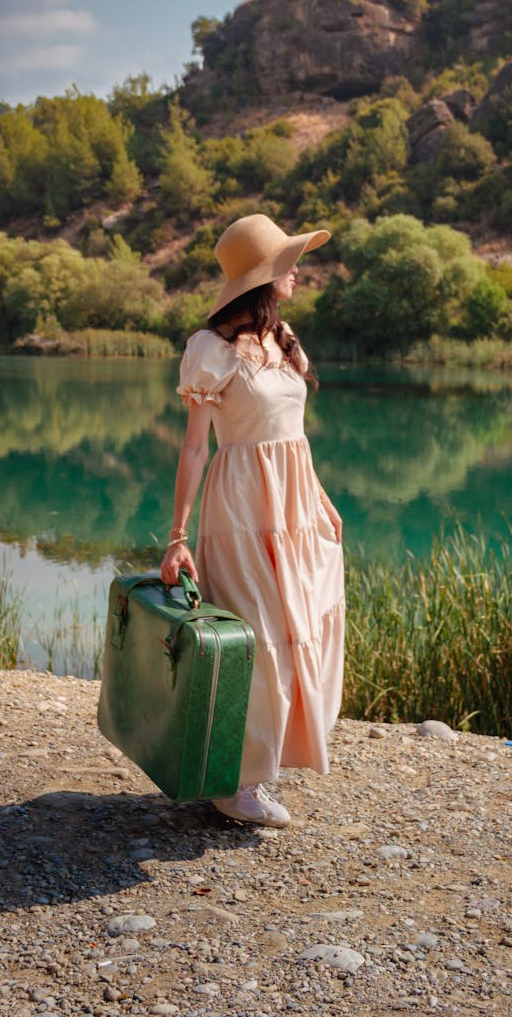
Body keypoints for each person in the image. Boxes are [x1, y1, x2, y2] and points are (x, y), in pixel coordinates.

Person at [160, 213, 345, 829]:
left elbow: (295, 435)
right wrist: (177, 537)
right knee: (258, 640)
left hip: (294, 506)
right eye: (289, 263)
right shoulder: (209, 349)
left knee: (300, 627)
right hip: (240, 505)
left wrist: (320, 499)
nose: (298, 271)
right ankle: (234, 782)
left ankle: (255, 766)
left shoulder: (285, 337)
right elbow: (194, 447)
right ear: (263, 278)